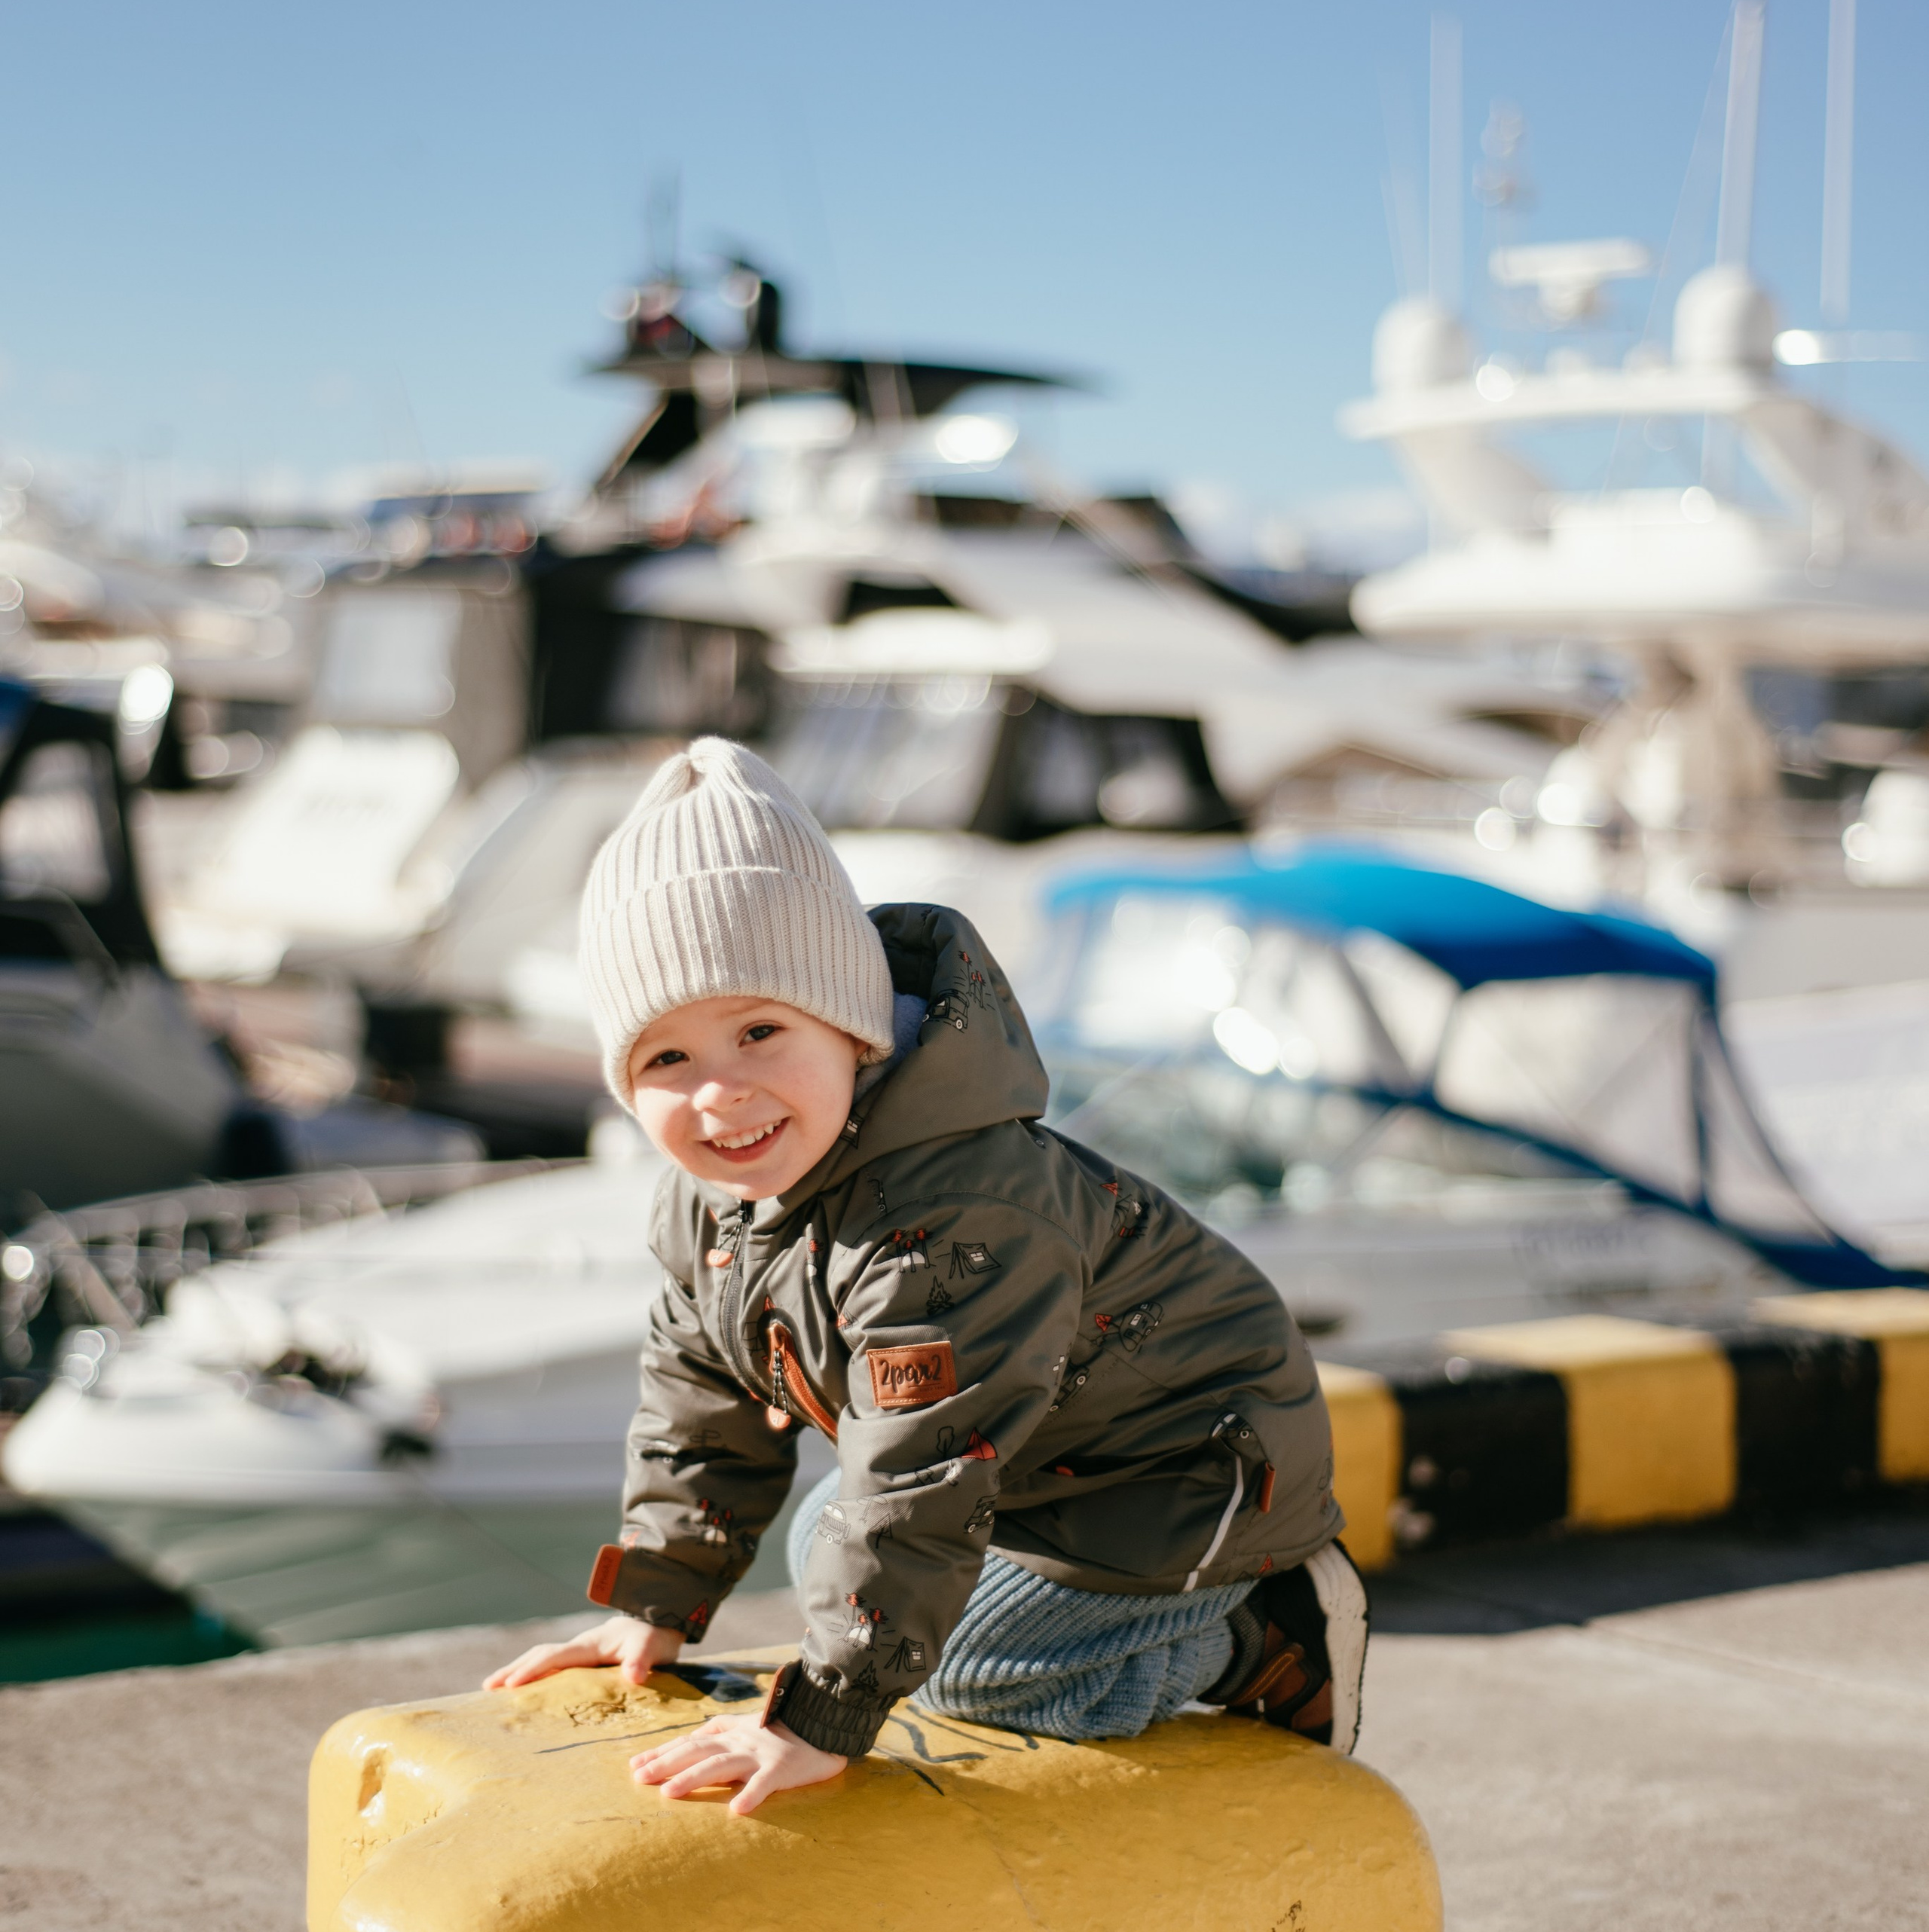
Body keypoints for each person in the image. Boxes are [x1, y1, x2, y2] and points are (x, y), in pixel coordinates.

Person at [486, 738, 1366, 1812]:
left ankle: (1259, 1636)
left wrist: (823, 1717)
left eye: (760, 1031)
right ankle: (1108, 1623)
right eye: (667, 1059)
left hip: (1186, 1471)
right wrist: (657, 1606)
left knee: (963, 1670)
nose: (719, 1096)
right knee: (826, 1543)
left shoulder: (952, 1216)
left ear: (851, 1031)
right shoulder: (714, 1199)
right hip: (1040, 1468)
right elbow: (700, 1399)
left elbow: (924, 1472)